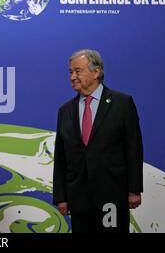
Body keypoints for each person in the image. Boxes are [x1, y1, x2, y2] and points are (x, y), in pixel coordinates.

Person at [53, 49, 143, 233]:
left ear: (96, 72)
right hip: (79, 198)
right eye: (70, 72)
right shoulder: (65, 111)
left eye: (78, 71)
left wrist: (134, 189)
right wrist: (61, 196)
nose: (72, 77)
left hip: (112, 195)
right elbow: (61, 157)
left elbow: (133, 149)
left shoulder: (122, 103)